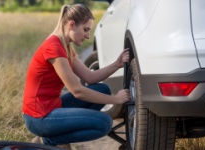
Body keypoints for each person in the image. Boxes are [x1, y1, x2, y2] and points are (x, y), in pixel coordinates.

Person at [22, 3, 130, 149]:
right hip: (38, 118)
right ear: (72, 25)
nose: (87, 35)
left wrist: (116, 64)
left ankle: (58, 134)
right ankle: (48, 141)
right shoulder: (53, 47)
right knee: (104, 123)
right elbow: (77, 91)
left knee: (102, 89)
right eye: (85, 30)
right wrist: (115, 99)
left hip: (52, 107)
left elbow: (89, 77)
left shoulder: (65, 46)